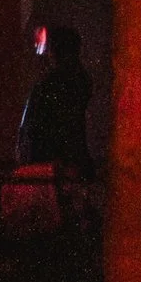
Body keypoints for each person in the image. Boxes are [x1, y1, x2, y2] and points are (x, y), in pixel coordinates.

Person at [18, 22, 94, 173]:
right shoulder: (80, 79)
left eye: (49, 48)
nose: (46, 52)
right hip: (68, 161)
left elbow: (36, 127)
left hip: (50, 165)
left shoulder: (51, 83)